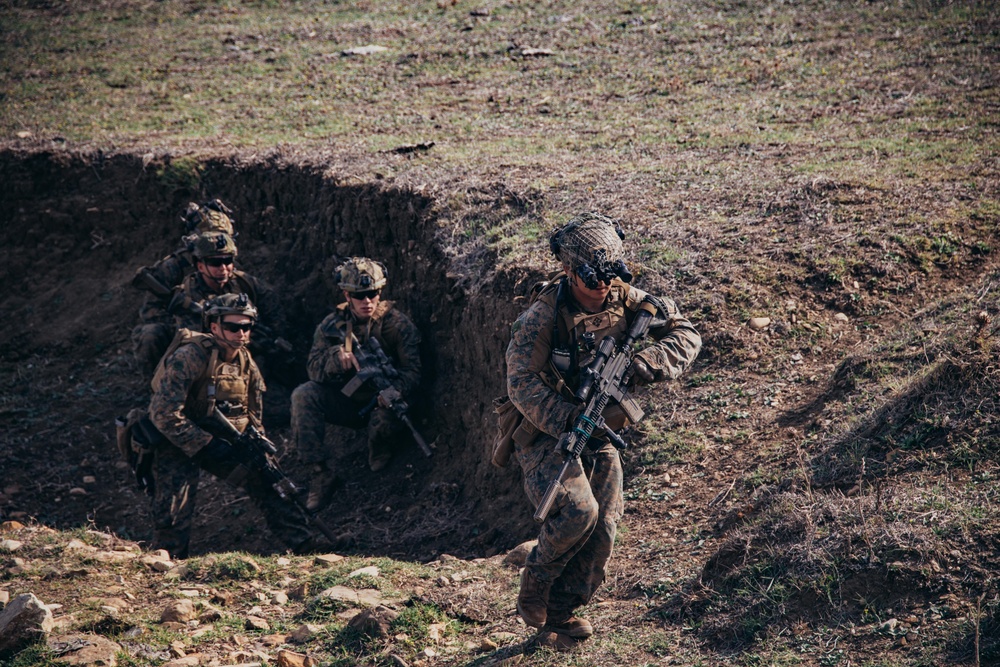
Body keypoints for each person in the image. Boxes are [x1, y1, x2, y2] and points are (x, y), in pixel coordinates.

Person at [505, 212, 702, 648]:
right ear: (568, 271)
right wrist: (568, 419)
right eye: (591, 279)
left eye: (609, 278)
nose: (601, 288)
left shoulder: (630, 299)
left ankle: (562, 612)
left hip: (601, 429)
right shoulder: (542, 317)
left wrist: (648, 362)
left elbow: (686, 333)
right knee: (578, 512)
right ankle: (536, 582)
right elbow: (519, 383)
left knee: (605, 525)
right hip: (547, 432)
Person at [145, 293, 325, 558]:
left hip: (224, 437)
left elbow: (253, 414)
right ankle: (168, 559)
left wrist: (255, 446)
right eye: (233, 327)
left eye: (246, 326)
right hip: (177, 437)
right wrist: (205, 444)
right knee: (174, 502)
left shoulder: (246, 362)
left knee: (266, 476)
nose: (241, 333)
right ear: (214, 326)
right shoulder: (190, 356)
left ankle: (305, 543)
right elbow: (163, 414)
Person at [291, 257, 422, 511]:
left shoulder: (397, 326)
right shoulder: (332, 326)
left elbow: (415, 372)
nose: (367, 301)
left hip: (385, 400)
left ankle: (384, 467)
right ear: (347, 296)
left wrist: (394, 391)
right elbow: (312, 369)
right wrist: (335, 359)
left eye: (372, 294)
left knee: (381, 447)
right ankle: (320, 472)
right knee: (303, 395)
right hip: (348, 401)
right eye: (360, 296)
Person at [131, 199, 236, 375]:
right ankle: (157, 385)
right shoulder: (174, 266)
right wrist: (183, 316)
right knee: (150, 334)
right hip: (178, 329)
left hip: (219, 329)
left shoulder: (228, 264)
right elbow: (151, 312)